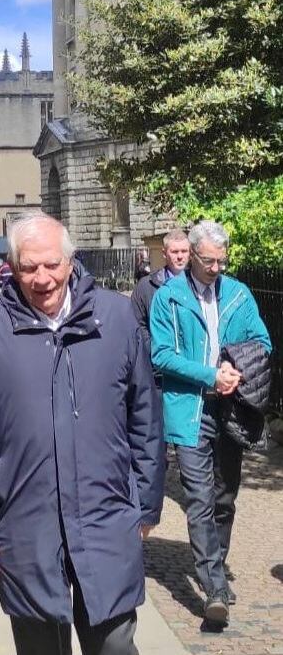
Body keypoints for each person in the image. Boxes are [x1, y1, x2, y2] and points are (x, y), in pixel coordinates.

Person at [0, 212, 165, 655]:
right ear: (11, 267)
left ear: (70, 262)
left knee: (114, 645)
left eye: (51, 264)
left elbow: (144, 416)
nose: (42, 277)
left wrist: (145, 505)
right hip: (25, 519)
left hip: (106, 513)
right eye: (28, 267)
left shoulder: (115, 316)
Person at [150, 220, 271, 627]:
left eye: (222, 261)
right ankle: (214, 586)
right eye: (209, 261)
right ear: (192, 256)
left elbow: (263, 342)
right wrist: (209, 374)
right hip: (190, 410)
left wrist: (234, 368)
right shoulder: (168, 297)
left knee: (224, 498)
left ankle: (216, 564)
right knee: (199, 499)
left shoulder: (239, 293)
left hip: (231, 410)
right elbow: (161, 355)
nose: (216, 268)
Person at [131, 229, 191, 349]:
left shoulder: (198, 285)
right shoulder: (146, 286)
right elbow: (136, 324)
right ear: (164, 253)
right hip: (158, 360)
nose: (180, 256)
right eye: (174, 252)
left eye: (184, 251)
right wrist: (154, 349)